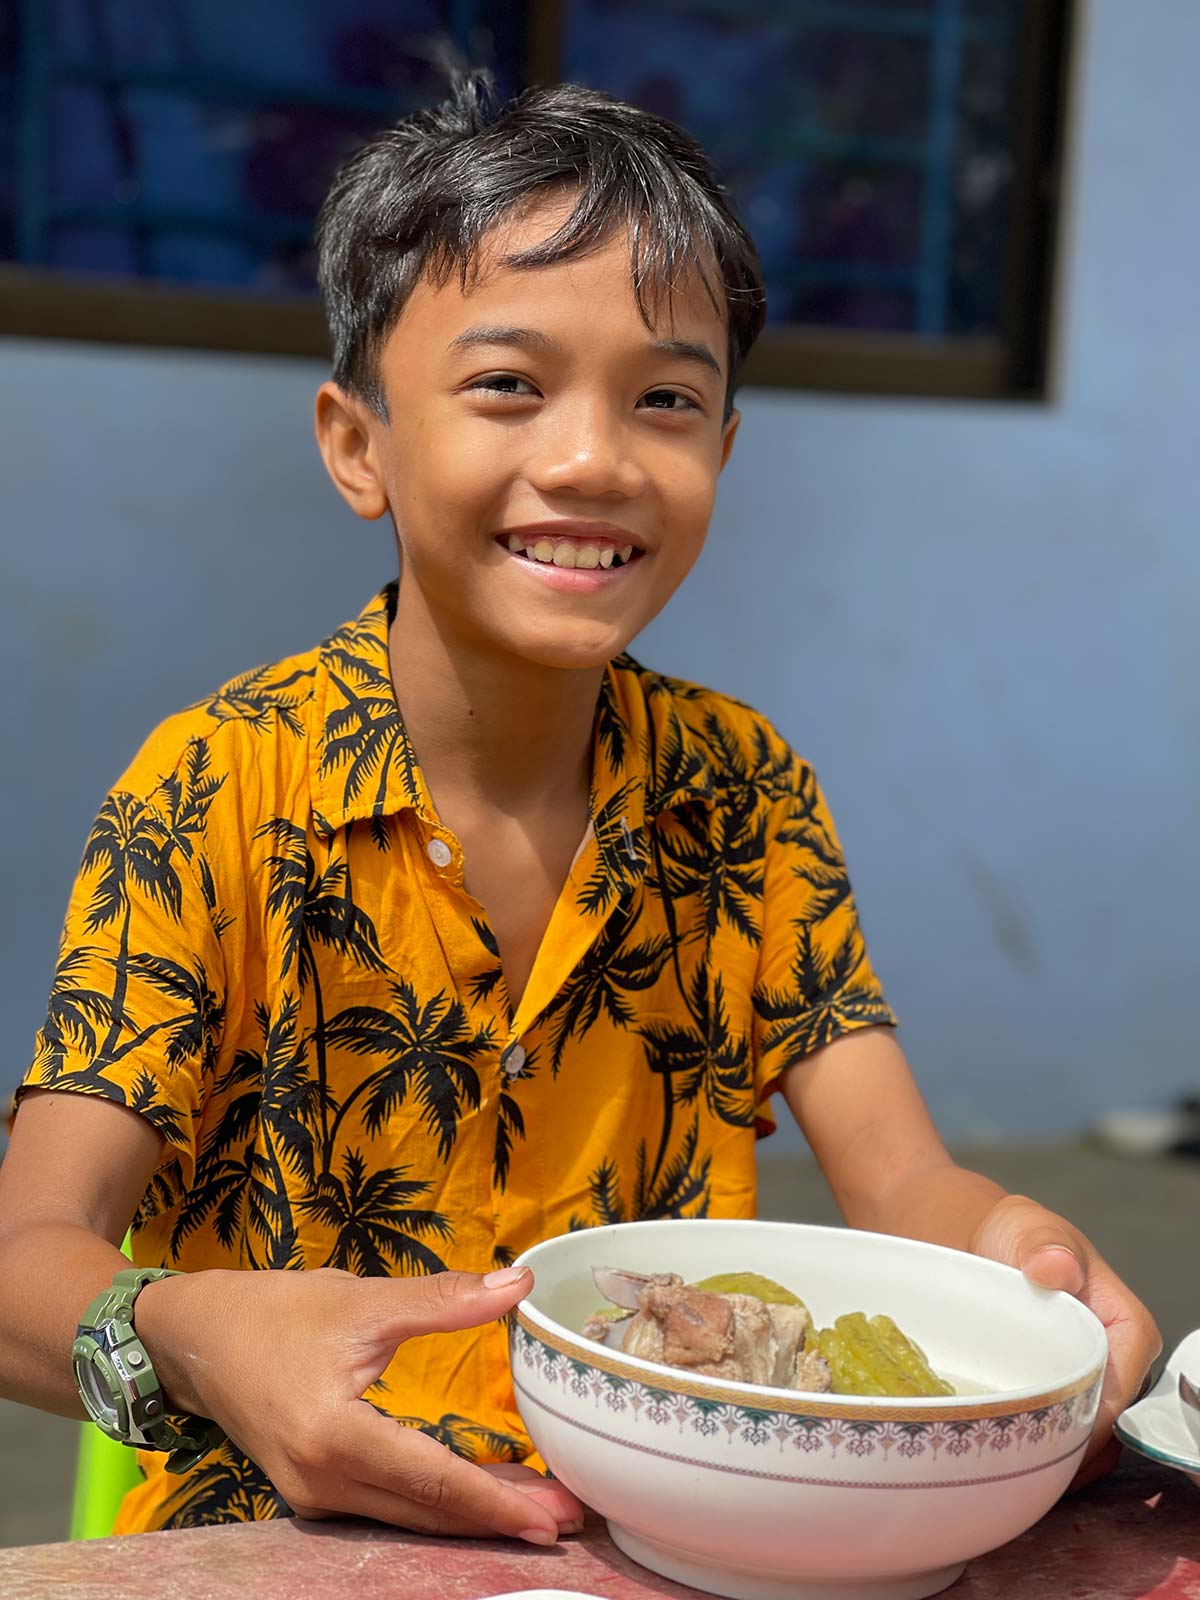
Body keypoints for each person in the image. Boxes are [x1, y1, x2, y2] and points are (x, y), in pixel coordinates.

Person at [0, 72, 1159, 1541]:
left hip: (671, 1534)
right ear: (357, 443)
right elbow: (22, 1257)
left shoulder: (747, 800)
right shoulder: (215, 792)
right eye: (507, 385)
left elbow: (904, 1179)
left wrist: (1014, 1250)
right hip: (283, 1542)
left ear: (723, 453)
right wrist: (193, 1340)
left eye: (666, 399)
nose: (595, 458)